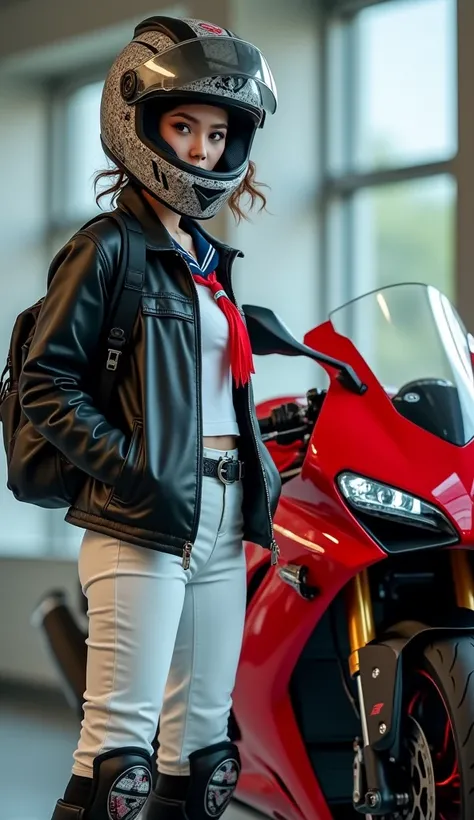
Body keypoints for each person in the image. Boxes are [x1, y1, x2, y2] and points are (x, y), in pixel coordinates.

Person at [18, 15, 281, 820]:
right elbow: (46, 386)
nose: (201, 151)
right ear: (139, 123)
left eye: (216, 133)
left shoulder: (209, 265)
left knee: (204, 758)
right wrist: (136, 469)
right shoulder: (105, 249)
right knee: (117, 763)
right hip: (141, 518)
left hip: (226, 514)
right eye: (183, 127)